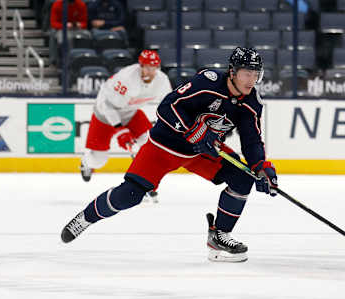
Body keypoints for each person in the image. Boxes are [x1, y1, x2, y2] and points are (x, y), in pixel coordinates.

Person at [61, 47, 278, 263]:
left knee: (243, 177)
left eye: (256, 74)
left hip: (200, 152)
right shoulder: (208, 82)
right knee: (130, 195)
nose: (252, 80)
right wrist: (193, 129)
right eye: (246, 73)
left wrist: (261, 166)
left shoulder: (252, 103)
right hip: (163, 147)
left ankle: (219, 236)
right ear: (232, 71)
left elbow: (251, 140)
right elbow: (167, 106)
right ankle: (86, 218)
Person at [80, 49, 172, 201]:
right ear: (140, 66)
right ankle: (86, 162)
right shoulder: (126, 78)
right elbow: (108, 106)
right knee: (99, 160)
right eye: (147, 67)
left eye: (154, 68)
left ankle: (146, 183)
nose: (151, 71)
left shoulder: (162, 80)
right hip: (104, 115)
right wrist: (119, 130)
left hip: (131, 113)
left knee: (149, 145)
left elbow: (169, 103)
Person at [49, 0, 89, 66]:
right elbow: (53, 23)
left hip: (76, 29)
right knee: (66, 38)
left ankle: (84, 59)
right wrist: (65, 25)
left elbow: (84, 23)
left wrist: (79, 25)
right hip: (62, 29)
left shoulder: (81, 4)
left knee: (88, 35)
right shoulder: (57, 4)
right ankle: (65, 62)